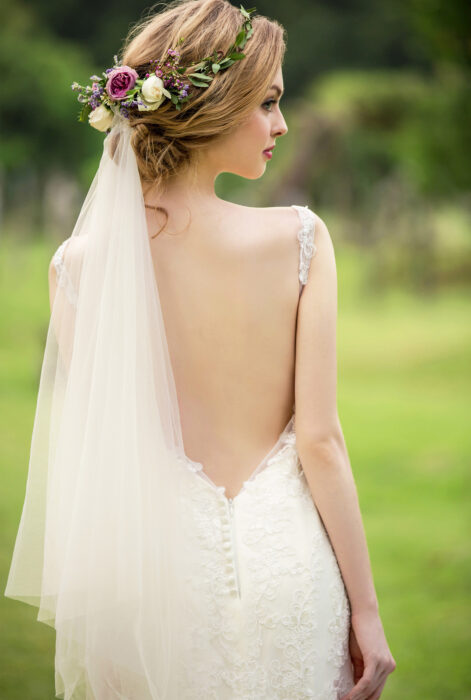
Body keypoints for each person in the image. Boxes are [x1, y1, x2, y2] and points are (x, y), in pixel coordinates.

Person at [5, 0, 396, 698]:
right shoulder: (299, 239)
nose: (280, 125)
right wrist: (365, 611)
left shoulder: (77, 266)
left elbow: (110, 460)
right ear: (214, 104)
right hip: (288, 574)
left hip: (153, 593)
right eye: (268, 102)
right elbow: (321, 443)